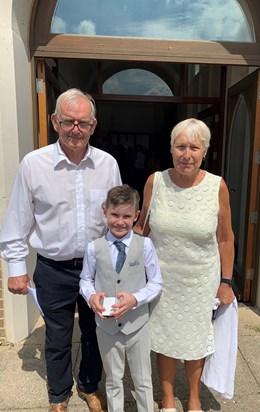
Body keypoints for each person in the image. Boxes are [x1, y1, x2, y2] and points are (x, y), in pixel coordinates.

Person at [0, 88, 122, 412]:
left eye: (83, 123)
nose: (76, 129)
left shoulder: (108, 165)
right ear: (55, 121)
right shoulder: (33, 165)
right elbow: (16, 222)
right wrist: (16, 268)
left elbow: (117, 218)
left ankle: (89, 386)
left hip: (96, 267)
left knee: (96, 332)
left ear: (94, 126)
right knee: (57, 336)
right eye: (69, 121)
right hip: (53, 269)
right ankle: (58, 395)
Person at [134, 118, 235, 412]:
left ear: (204, 151)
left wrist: (225, 282)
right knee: (164, 338)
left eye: (194, 147)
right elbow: (143, 228)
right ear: (171, 149)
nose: (186, 154)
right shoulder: (156, 181)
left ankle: (193, 399)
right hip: (162, 278)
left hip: (200, 278)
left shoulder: (217, 186)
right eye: (180, 146)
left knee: (195, 339)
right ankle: (166, 399)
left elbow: (225, 238)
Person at [80, 184, 163, 412]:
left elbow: (156, 282)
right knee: (113, 379)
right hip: (106, 327)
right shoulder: (93, 248)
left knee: (143, 380)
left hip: (137, 326)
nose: (120, 221)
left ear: (136, 216)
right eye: (114, 215)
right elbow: (85, 280)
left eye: (127, 216)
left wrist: (135, 299)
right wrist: (91, 297)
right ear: (104, 211)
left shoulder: (145, 245)